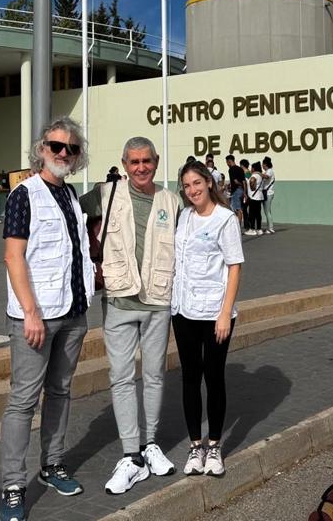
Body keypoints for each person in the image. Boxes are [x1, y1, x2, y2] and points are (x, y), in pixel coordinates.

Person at [0, 118, 94, 521]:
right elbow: (13, 256)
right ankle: (13, 487)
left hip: (73, 312)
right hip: (35, 318)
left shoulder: (71, 195)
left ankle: (52, 464)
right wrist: (31, 313)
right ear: (41, 149)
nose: (62, 154)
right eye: (56, 146)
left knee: (60, 392)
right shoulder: (25, 195)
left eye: (70, 149)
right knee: (23, 402)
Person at [80, 136, 179, 495]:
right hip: (120, 301)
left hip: (157, 302)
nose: (140, 168)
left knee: (154, 376)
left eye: (146, 161)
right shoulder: (104, 194)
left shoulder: (171, 201)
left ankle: (151, 444)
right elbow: (69, 215)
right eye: (134, 162)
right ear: (124, 164)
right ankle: (130, 454)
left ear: (156, 162)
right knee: (121, 378)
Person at [172, 160, 243, 477]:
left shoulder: (225, 219)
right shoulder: (184, 217)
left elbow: (234, 266)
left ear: (209, 183)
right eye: (187, 186)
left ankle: (214, 446)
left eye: (197, 184)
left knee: (213, 378)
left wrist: (225, 313)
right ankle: (194, 447)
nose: (192, 190)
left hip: (215, 313)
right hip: (183, 310)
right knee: (189, 378)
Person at [244, 162, 265, 237]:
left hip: (253, 197)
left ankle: (252, 229)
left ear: (254, 168)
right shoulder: (261, 175)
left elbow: (252, 180)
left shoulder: (254, 175)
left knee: (252, 214)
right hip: (259, 197)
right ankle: (259, 229)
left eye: (252, 168)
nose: (251, 169)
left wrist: (252, 187)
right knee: (258, 214)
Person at [224, 155, 244, 230]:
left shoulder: (231, 169)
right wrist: (244, 191)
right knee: (238, 208)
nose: (227, 164)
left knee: (237, 209)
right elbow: (243, 181)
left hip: (236, 191)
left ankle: (238, 227)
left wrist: (235, 185)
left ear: (229, 161)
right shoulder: (240, 169)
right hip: (241, 190)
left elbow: (235, 181)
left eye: (227, 162)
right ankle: (237, 225)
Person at [261, 157, 276, 234]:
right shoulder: (267, 171)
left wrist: (258, 173)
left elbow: (266, 177)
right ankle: (269, 227)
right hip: (266, 193)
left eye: (262, 164)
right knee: (267, 211)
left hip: (269, 193)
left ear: (265, 164)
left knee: (267, 211)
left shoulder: (269, 171)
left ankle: (271, 228)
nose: (262, 166)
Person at [239, 160, 252, 231]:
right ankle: (248, 224)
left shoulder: (245, 174)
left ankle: (247, 225)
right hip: (249, 193)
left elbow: (245, 184)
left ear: (242, 165)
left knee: (244, 209)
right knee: (246, 209)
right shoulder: (250, 173)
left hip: (246, 193)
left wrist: (244, 193)